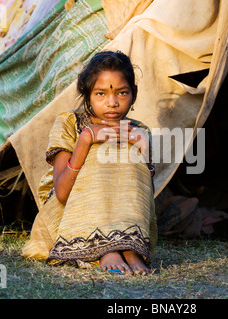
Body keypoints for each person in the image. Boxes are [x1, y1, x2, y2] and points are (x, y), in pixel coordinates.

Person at [21, 51, 157, 275]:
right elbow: (62, 194)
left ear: (134, 93)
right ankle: (104, 249)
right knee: (99, 152)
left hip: (128, 221)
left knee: (128, 153)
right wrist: (86, 140)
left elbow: (144, 198)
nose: (112, 103)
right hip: (71, 217)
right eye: (101, 94)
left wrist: (144, 149)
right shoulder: (69, 123)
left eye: (122, 93)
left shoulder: (138, 131)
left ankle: (130, 249)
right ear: (87, 95)